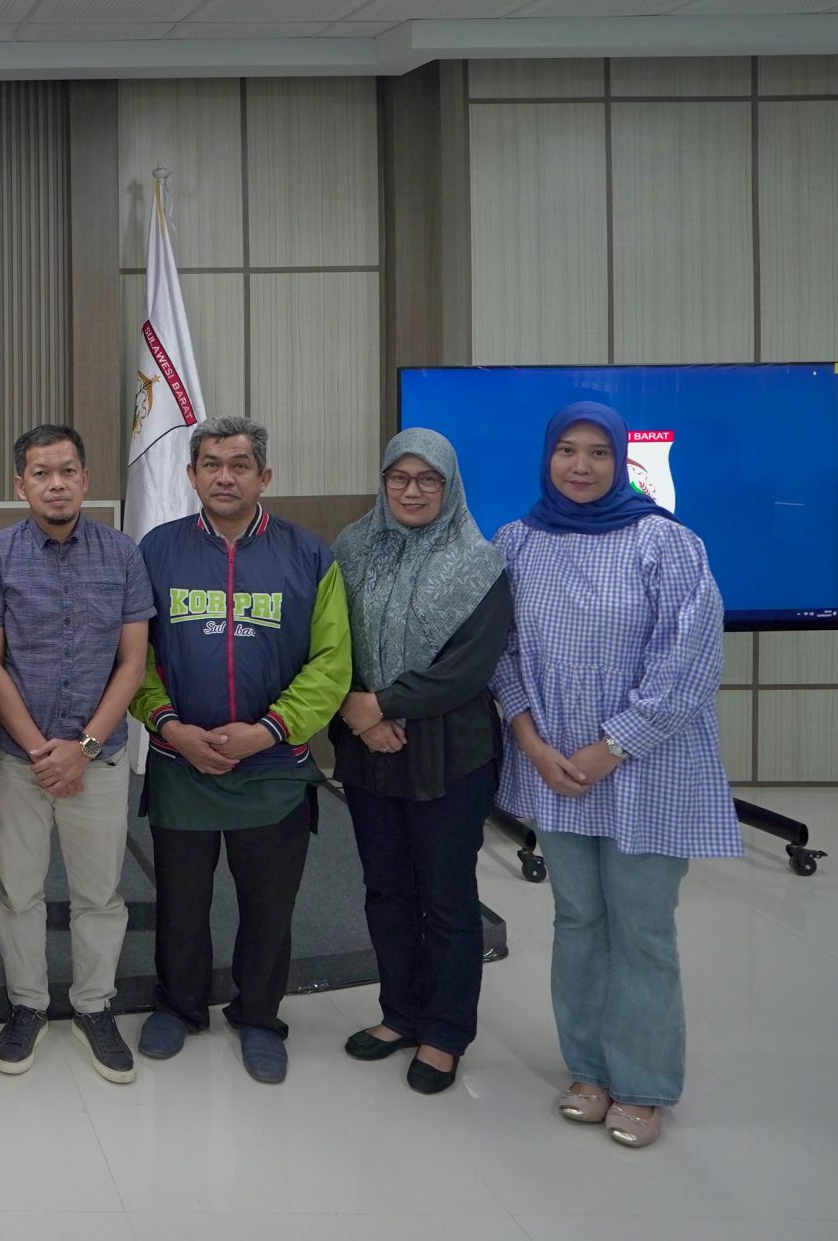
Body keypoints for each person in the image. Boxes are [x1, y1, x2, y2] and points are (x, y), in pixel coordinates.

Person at [493, 402, 740, 1150]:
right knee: (577, 921)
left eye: (598, 452)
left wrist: (612, 747)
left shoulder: (667, 543)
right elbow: (498, 652)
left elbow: (690, 662)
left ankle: (643, 1084)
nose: (580, 466)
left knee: (641, 928)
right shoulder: (516, 542)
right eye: (567, 450)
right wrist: (531, 743)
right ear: (547, 457)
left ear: (620, 460)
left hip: (646, 769)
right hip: (555, 768)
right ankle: (589, 1070)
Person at [131, 414, 350, 1085]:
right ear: (191, 474)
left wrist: (271, 729)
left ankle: (259, 1017)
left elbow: (332, 663)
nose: (224, 477)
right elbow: (132, 658)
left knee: (268, 909)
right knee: (180, 904)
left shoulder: (309, 555)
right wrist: (170, 726)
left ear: (264, 476)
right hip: (182, 766)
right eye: (212, 465)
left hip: (274, 772)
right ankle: (179, 1006)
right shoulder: (155, 551)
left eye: (239, 465)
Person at [328, 429, 513, 1096]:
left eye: (427, 479)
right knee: (386, 889)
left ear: (449, 485)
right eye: (398, 478)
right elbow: (329, 639)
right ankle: (400, 1013)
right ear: (382, 482)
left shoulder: (479, 562)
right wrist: (359, 710)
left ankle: (445, 1031)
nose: (411, 491)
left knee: (447, 897)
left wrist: (381, 704)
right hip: (367, 751)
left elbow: (469, 667)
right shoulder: (351, 548)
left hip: (450, 754)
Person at [0, 424, 154, 1084]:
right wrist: (40, 750)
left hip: (97, 759)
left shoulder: (123, 554)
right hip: (19, 761)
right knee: (18, 891)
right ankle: (27, 1005)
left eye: (67, 471)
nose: (56, 484)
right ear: (20, 484)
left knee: (99, 894)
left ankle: (94, 1006)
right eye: (41, 473)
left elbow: (132, 663)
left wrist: (82, 748)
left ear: (86, 478)